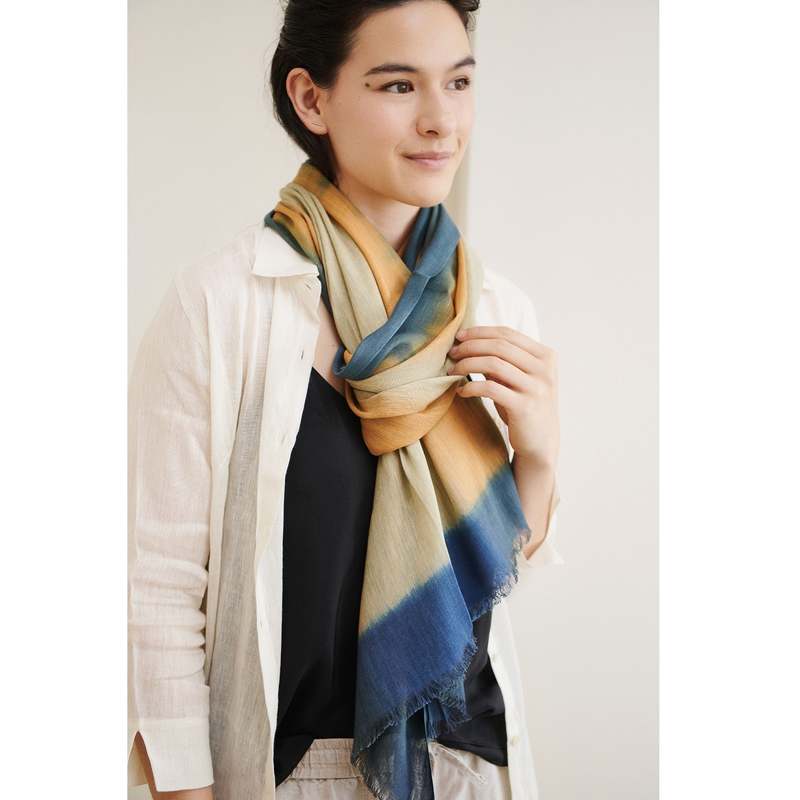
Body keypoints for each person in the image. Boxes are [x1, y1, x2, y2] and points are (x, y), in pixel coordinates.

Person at [127, 1, 563, 798]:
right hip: (300, 774)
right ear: (311, 98)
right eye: (398, 85)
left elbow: (493, 574)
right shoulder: (220, 306)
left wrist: (537, 456)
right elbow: (157, 589)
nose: (441, 121)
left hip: (467, 766)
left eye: (458, 82)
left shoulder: (495, 308)